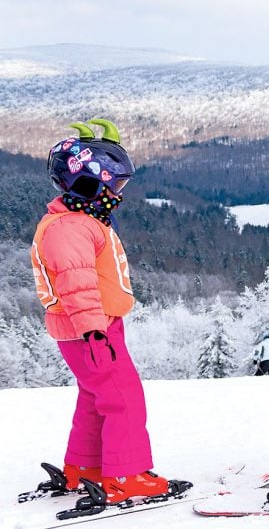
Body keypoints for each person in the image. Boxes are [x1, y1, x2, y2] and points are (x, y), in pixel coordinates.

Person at [29, 119, 186, 504]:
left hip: (93, 327)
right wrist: (94, 331)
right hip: (91, 330)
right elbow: (76, 283)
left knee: (95, 397)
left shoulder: (81, 220)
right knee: (123, 397)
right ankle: (126, 475)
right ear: (88, 182)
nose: (119, 192)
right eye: (114, 184)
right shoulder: (68, 228)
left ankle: (84, 467)